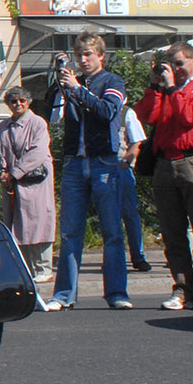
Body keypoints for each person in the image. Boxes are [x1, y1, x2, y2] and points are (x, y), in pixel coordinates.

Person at [45, 30, 132, 311]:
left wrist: (78, 90)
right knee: (70, 232)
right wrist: (59, 83)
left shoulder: (112, 81)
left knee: (112, 232)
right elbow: (52, 111)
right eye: (79, 55)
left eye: (88, 55)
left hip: (103, 162)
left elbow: (108, 111)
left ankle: (117, 293)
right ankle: (63, 295)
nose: (83, 60)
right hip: (74, 161)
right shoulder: (72, 82)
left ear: (101, 56)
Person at [134, 41, 193, 310]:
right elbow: (147, 114)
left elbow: (188, 116)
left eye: (181, 63)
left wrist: (172, 88)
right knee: (173, 235)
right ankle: (182, 289)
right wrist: (154, 86)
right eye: (172, 65)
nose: (177, 69)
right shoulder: (166, 89)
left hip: (192, 162)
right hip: (165, 165)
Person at [0, 86, 55, 283]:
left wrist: (16, 173)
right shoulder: (4, 126)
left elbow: (38, 151)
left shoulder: (37, 123)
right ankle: (26, 267)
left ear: (29, 102)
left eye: (22, 101)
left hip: (35, 182)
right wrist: (0, 173)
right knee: (18, 225)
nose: (18, 104)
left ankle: (44, 267)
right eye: (13, 101)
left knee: (39, 222)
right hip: (12, 184)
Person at [116, 106, 153, 272]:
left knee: (130, 214)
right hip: (100, 168)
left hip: (121, 170)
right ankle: (113, 258)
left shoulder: (126, 113)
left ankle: (138, 257)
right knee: (109, 217)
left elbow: (137, 141)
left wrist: (126, 162)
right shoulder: (95, 109)